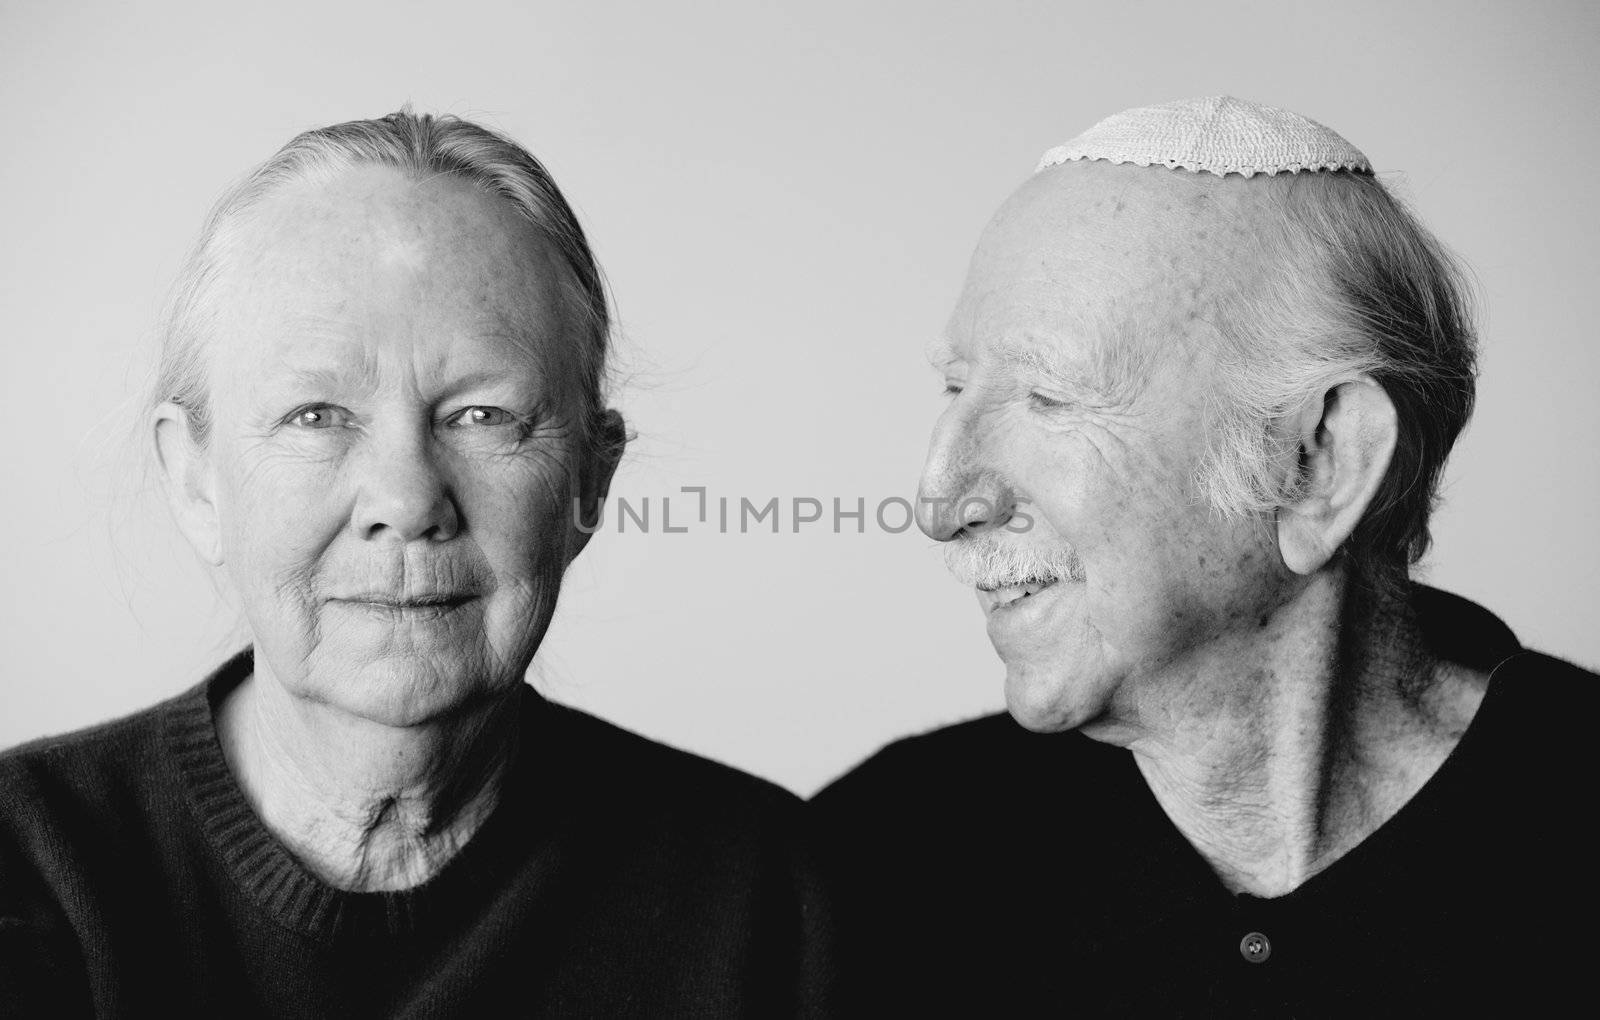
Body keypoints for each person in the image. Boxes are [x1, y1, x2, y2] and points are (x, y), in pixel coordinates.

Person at [0, 110, 829, 1016]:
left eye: (482, 416)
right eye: (317, 414)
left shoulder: (766, 896)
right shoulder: (29, 865)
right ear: (197, 482)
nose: (405, 499)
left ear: (589, 480)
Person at [812, 96, 1596, 1014]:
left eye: (1050, 398)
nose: (942, 504)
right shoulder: (879, 862)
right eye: (955, 386)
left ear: (1320, 463)